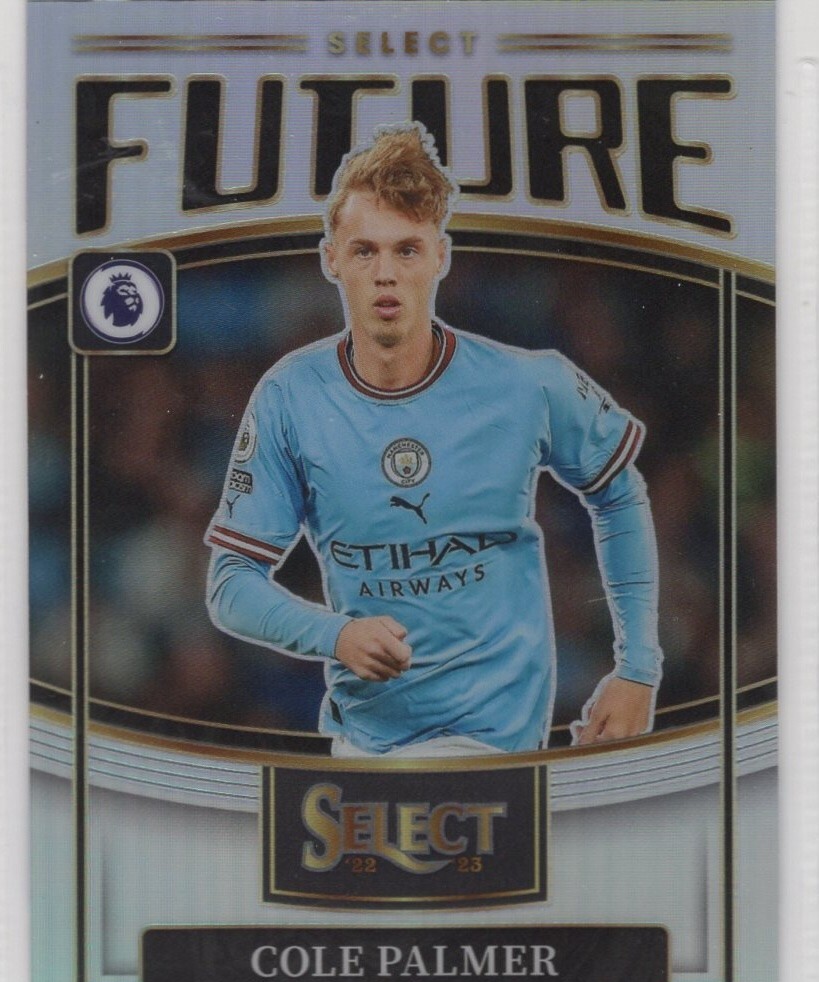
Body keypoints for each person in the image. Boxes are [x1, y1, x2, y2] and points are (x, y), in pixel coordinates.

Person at [205, 123, 662, 757]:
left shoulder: (527, 383)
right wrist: (335, 635)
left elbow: (619, 494)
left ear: (440, 257)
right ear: (331, 259)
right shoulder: (291, 396)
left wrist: (637, 668)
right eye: (364, 251)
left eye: (407, 250)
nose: (385, 274)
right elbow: (230, 583)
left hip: (497, 749)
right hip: (367, 748)